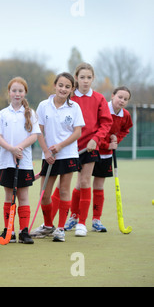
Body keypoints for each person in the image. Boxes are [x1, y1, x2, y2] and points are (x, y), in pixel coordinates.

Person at [31, 72, 85, 242]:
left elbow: (77, 132)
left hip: (68, 154)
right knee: (44, 194)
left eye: (67, 87)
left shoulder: (74, 107)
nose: (63, 89)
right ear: (55, 85)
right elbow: (38, 130)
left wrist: (61, 146)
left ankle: (60, 228)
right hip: (48, 156)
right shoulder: (43, 105)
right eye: (60, 85)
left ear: (72, 89)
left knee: (64, 191)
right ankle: (48, 225)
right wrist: (46, 151)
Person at [63, 63, 113, 237]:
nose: (85, 81)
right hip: (70, 148)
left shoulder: (99, 99)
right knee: (72, 185)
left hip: (90, 147)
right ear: (76, 78)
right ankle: (73, 216)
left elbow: (106, 123)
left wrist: (96, 139)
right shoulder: (68, 97)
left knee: (85, 182)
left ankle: (82, 224)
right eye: (82, 77)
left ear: (93, 79)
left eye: (89, 77)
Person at [0, 77, 40, 244]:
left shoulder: (30, 113)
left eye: (20, 91)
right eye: (14, 90)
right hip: (7, 161)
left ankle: (24, 231)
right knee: (8, 196)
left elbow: (34, 136)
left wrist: (19, 148)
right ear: (9, 92)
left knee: (23, 196)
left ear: (25, 93)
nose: (17, 93)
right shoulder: (2, 114)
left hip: (24, 162)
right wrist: (11, 149)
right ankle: (9, 230)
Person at [90, 86, 133, 231]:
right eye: (120, 97)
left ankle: (96, 220)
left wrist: (116, 141)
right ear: (113, 96)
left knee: (98, 186)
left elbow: (124, 130)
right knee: (82, 184)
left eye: (125, 99)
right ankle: (75, 217)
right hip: (92, 151)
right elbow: (93, 131)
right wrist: (107, 144)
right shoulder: (102, 109)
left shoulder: (125, 115)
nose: (122, 101)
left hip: (107, 155)